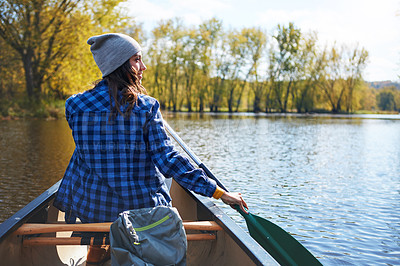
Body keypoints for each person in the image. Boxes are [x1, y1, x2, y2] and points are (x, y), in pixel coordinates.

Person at [53, 33, 248, 265]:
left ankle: (96, 255)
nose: (143, 66)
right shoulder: (146, 106)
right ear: (119, 64)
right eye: (137, 59)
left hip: (94, 210)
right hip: (141, 211)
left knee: (97, 202)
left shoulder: (74, 105)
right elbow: (167, 160)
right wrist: (218, 192)